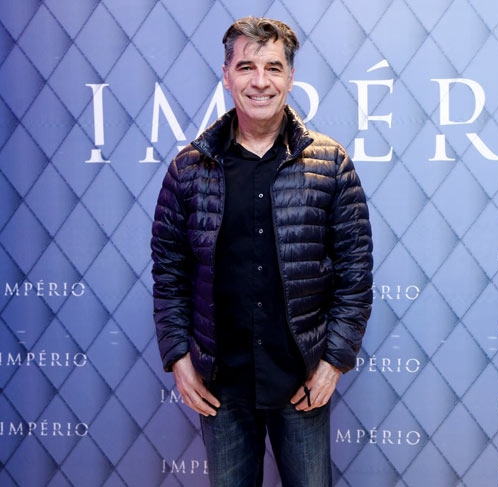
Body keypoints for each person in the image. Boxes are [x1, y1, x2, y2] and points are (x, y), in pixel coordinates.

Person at [150, 15, 373, 487]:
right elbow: (169, 274)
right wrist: (178, 357)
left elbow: (355, 274)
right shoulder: (189, 168)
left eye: (273, 67)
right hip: (221, 385)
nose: (260, 81)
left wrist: (333, 362)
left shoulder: (330, 164)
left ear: (290, 77)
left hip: (300, 381)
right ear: (226, 75)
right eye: (246, 67)